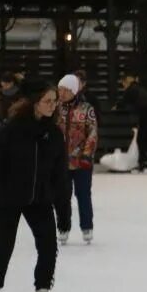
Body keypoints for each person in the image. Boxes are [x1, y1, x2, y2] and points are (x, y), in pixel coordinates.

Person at [0, 82, 68, 292]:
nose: (53, 105)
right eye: (48, 100)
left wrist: (64, 212)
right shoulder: (12, 130)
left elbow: (60, 175)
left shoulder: (54, 135)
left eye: (55, 101)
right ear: (35, 102)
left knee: (49, 248)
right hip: (9, 197)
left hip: (40, 199)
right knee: (2, 250)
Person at [53, 74, 99, 245]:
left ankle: (87, 227)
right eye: (59, 90)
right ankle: (63, 227)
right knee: (62, 196)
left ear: (73, 90)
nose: (61, 93)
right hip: (60, 162)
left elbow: (92, 133)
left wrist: (87, 155)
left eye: (65, 90)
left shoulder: (87, 109)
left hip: (81, 161)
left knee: (83, 194)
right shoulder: (55, 108)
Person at [115, 73, 147, 172]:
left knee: (141, 139)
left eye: (123, 83)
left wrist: (116, 106)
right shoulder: (139, 88)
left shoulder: (131, 89)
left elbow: (124, 101)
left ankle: (143, 162)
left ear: (126, 81)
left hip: (146, 112)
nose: (123, 86)